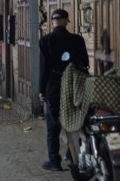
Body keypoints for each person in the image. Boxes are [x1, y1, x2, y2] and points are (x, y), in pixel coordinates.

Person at [39, 9, 89, 172]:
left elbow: (44, 68)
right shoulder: (78, 40)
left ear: (52, 23)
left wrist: (42, 89)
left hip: (54, 84)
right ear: (67, 20)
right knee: (76, 119)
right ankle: (72, 155)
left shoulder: (45, 40)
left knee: (53, 123)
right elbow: (84, 65)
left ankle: (54, 160)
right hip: (75, 85)